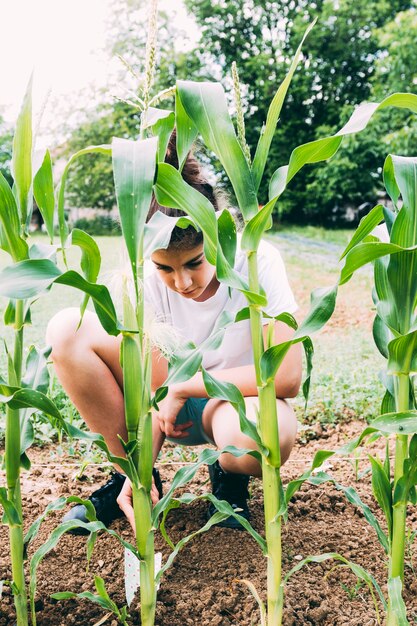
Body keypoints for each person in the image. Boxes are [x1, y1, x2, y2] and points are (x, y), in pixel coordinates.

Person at [46, 132, 301, 532]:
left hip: (234, 404)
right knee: (66, 329)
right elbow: (152, 386)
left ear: (218, 234)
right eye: (165, 268)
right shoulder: (142, 278)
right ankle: (129, 477)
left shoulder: (258, 260)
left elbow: (287, 375)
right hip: (163, 409)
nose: (181, 282)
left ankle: (229, 481)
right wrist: (139, 470)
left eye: (195, 263)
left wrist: (186, 387)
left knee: (265, 436)